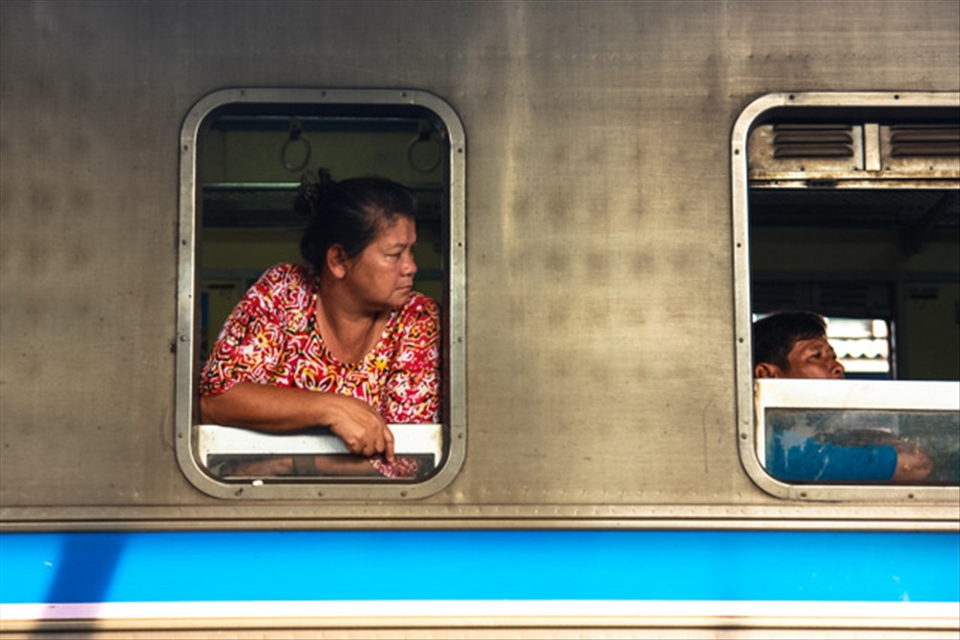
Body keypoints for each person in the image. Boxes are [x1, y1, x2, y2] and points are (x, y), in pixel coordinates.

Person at [199, 170, 439, 478]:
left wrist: (291, 464)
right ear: (339, 260)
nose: (411, 267)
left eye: (411, 250)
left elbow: (411, 457)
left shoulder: (416, 318)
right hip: (250, 499)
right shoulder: (283, 291)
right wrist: (330, 408)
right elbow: (215, 400)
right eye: (395, 254)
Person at [753, 311, 932, 482]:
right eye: (816, 356)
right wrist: (865, 438)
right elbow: (915, 466)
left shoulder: (803, 438)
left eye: (832, 357)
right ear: (767, 375)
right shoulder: (781, 450)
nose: (838, 367)